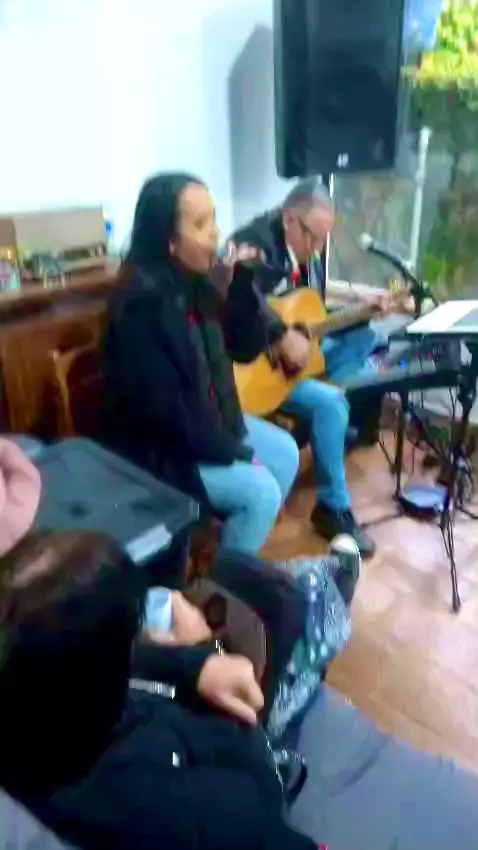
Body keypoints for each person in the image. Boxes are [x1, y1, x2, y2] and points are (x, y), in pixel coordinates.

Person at [0, 442, 316, 850]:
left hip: (176, 730)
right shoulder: (192, 811)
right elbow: (262, 799)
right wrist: (207, 648)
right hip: (246, 766)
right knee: (299, 608)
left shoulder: (39, 714)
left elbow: (90, 665)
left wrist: (192, 665)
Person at [102, 173, 300, 556]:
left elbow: (245, 349)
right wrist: (234, 451)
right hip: (164, 454)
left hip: (211, 425)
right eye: (200, 223)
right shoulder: (141, 309)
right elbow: (168, 417)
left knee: (286, 454)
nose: (215, 233)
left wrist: (241, 286)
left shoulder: (198, 284)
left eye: (214, 219)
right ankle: (227, 581)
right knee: (261, 494)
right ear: (170, 242)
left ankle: (235, 554)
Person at [231, 178, 391, 556]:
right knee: (332, 399)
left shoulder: (307, 258)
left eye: (323, 240)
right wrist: (278, 335)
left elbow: (310, 313)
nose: (317, 249)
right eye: (313, 238)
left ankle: (331, 499)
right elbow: (235, 289)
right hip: (249, 373)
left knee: (367, 341)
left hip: (289, 369)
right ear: (289, 219)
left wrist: (364, 308)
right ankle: (331, 448)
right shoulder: (255, 241)